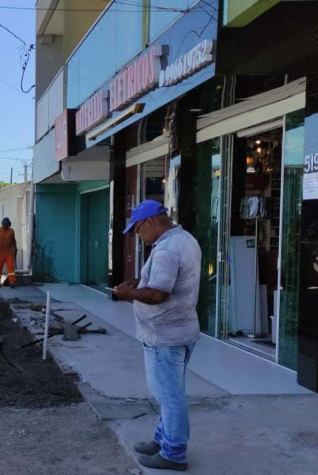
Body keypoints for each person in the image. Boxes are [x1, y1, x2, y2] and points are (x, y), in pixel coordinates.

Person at [112, 200, 201, 472]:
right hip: (180, 330)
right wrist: (139, 285)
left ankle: (173, 453)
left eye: (138, 230)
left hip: (164, 335)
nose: (139, 236)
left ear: (151, 221)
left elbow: (158, 294)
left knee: (168, 396)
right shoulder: (184, 240)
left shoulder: (167, 251)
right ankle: (162, 440)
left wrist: (130, 293)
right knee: (170, 392)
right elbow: (163, 284)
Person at [0, 217, 18, 288]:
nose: (5, 225)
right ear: (2, 224)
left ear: (9, 224)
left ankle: (12, 282)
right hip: (0, 253)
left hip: (9, 252)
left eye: (7, 224)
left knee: (10, 267)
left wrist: (15, 249)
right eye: (4, 224)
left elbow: (13, 241)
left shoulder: (11, 231)